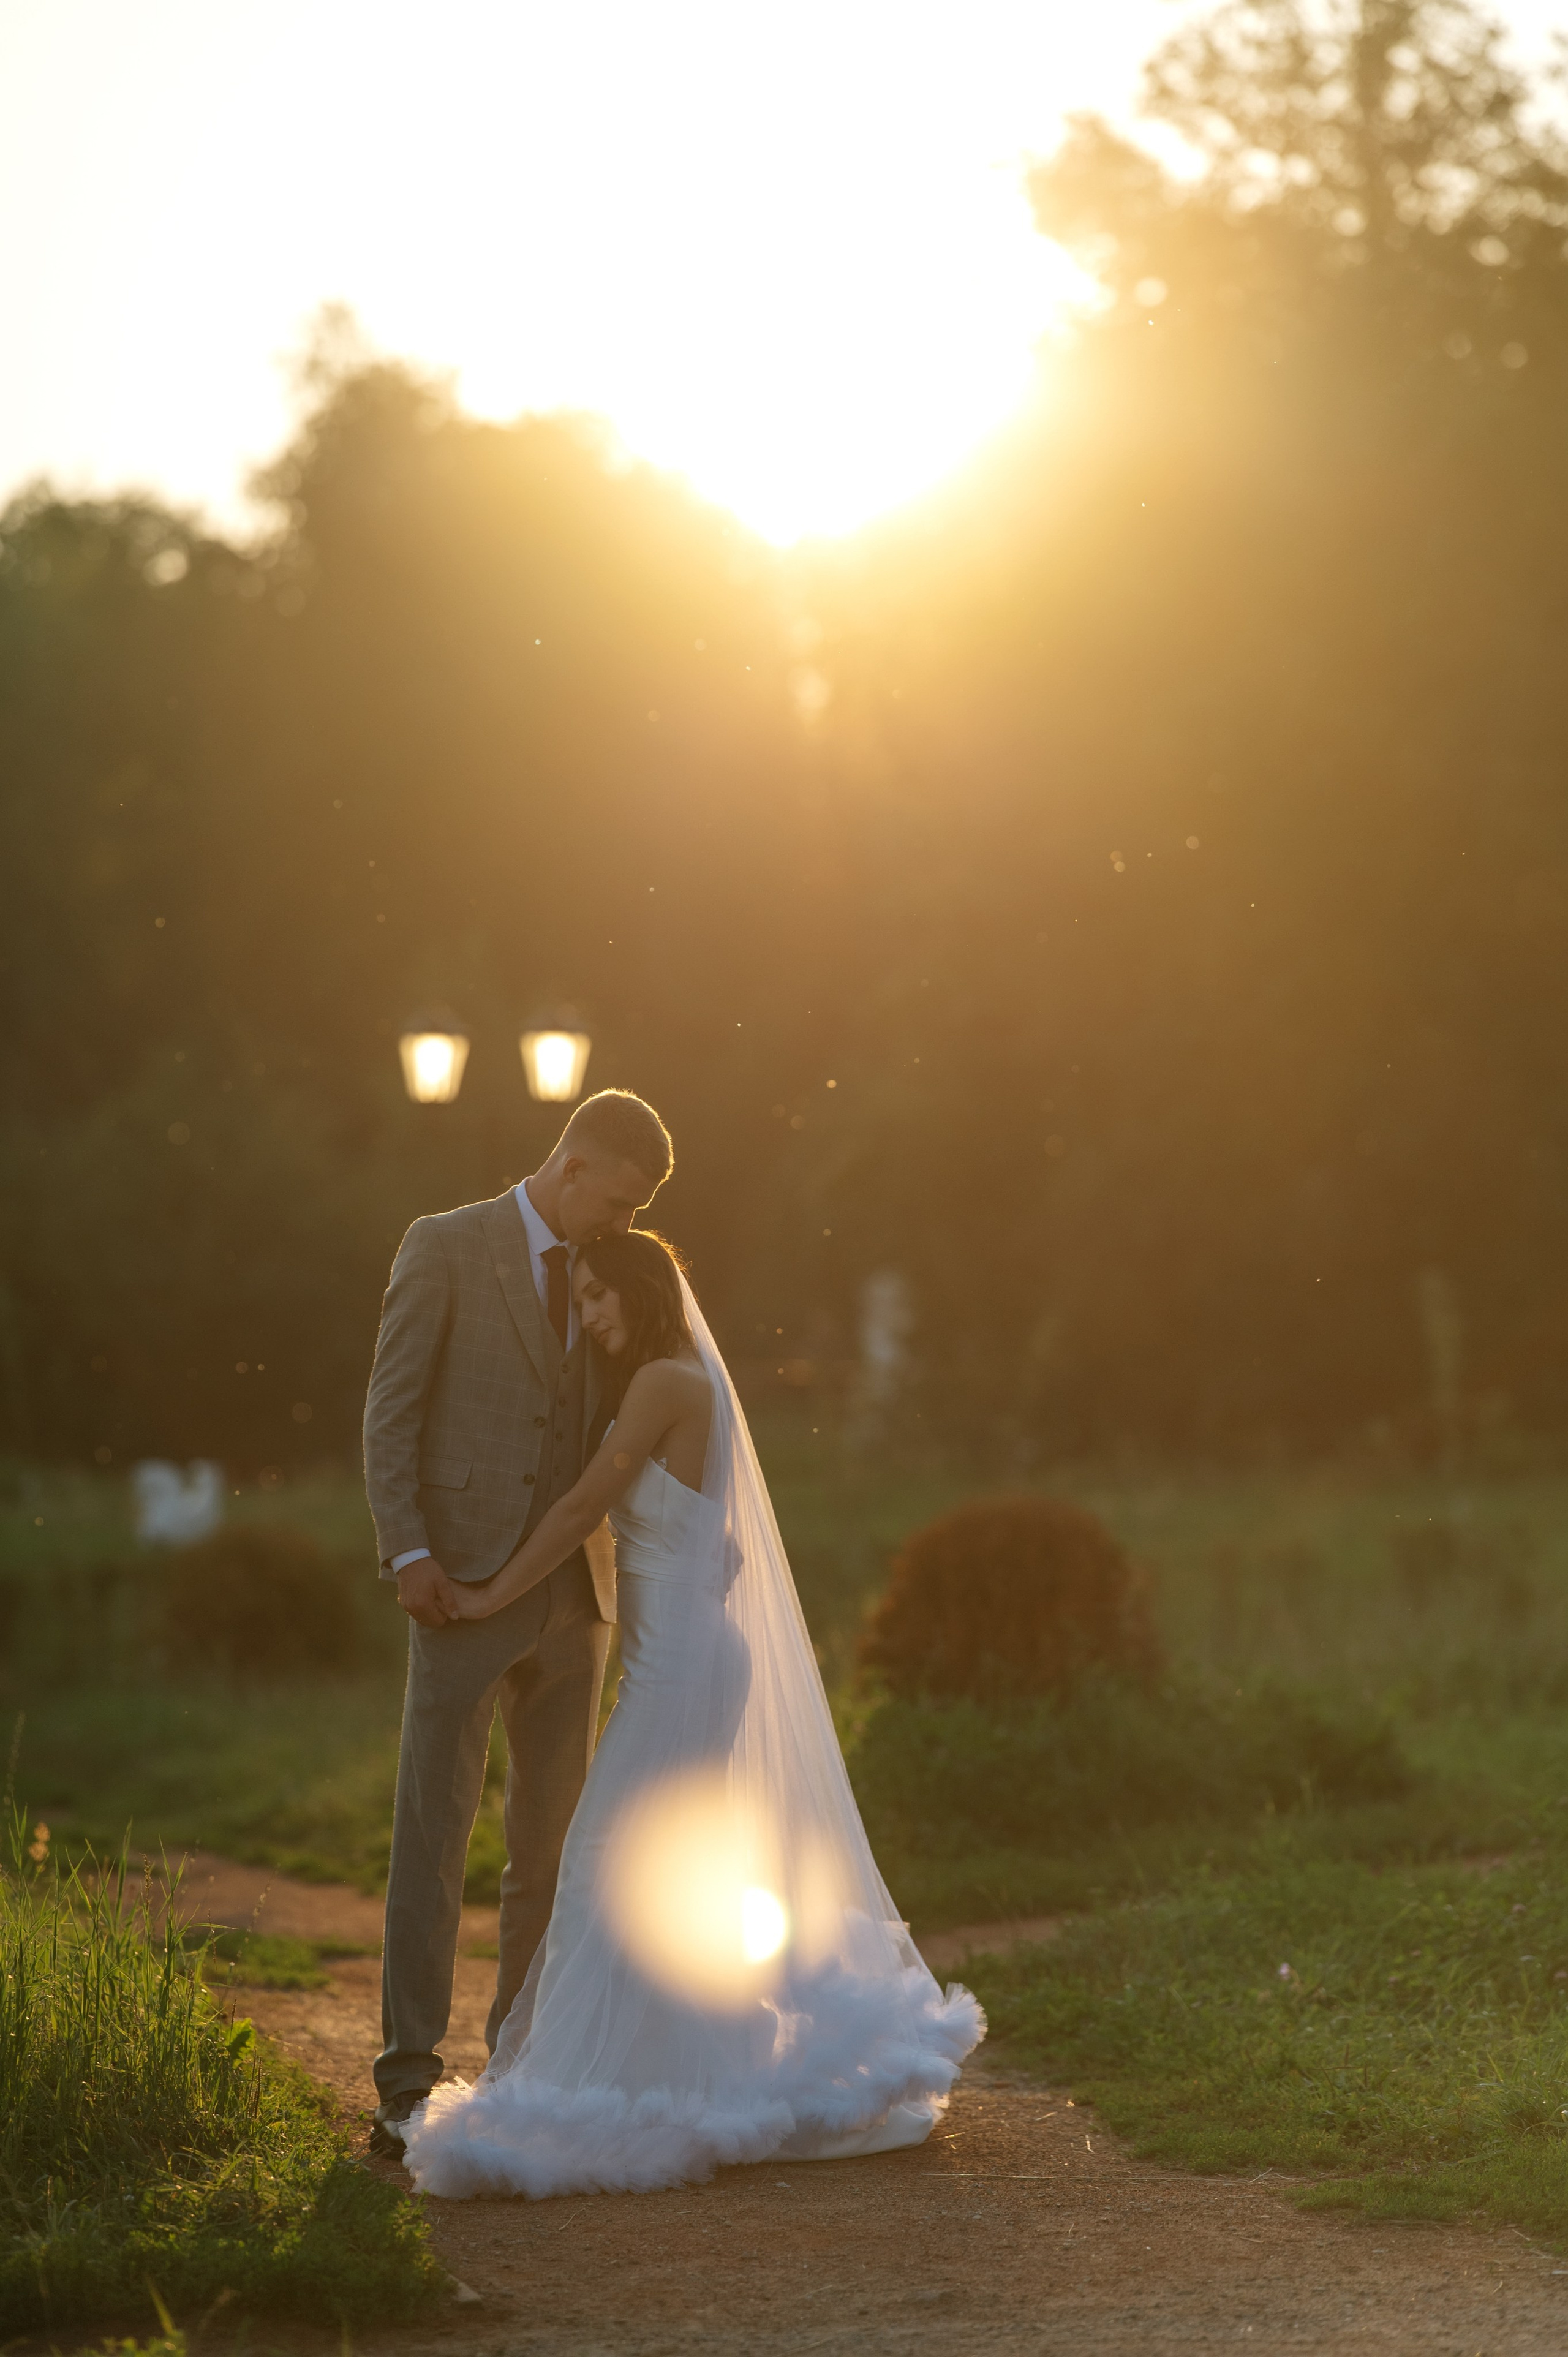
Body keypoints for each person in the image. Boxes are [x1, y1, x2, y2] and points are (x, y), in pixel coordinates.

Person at [399, 1228, 983, 2199]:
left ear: (639, 1290)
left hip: (681, 1669)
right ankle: (670, 2068)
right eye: (578, 1300)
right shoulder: (674, 1385)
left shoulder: (667, 1383)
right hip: (686, 1657)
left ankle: (635, 2079)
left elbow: (587, 1503)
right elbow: (725, 1552)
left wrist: (491, 1592)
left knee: (603, 1861)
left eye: (596, 1298)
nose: (586, 1318)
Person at [362, 1088, 674, 2158]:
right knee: (433, 1838)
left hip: (577, 1597)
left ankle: (517, 2070)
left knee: (548, 1850)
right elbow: (391, 1410)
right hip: (453, 1589)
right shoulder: (445, 1245)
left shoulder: (613, 1267)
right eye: (619, 1202)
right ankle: (406, 2080)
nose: (622, 1227)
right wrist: (408, 1551)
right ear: (574, 1165)